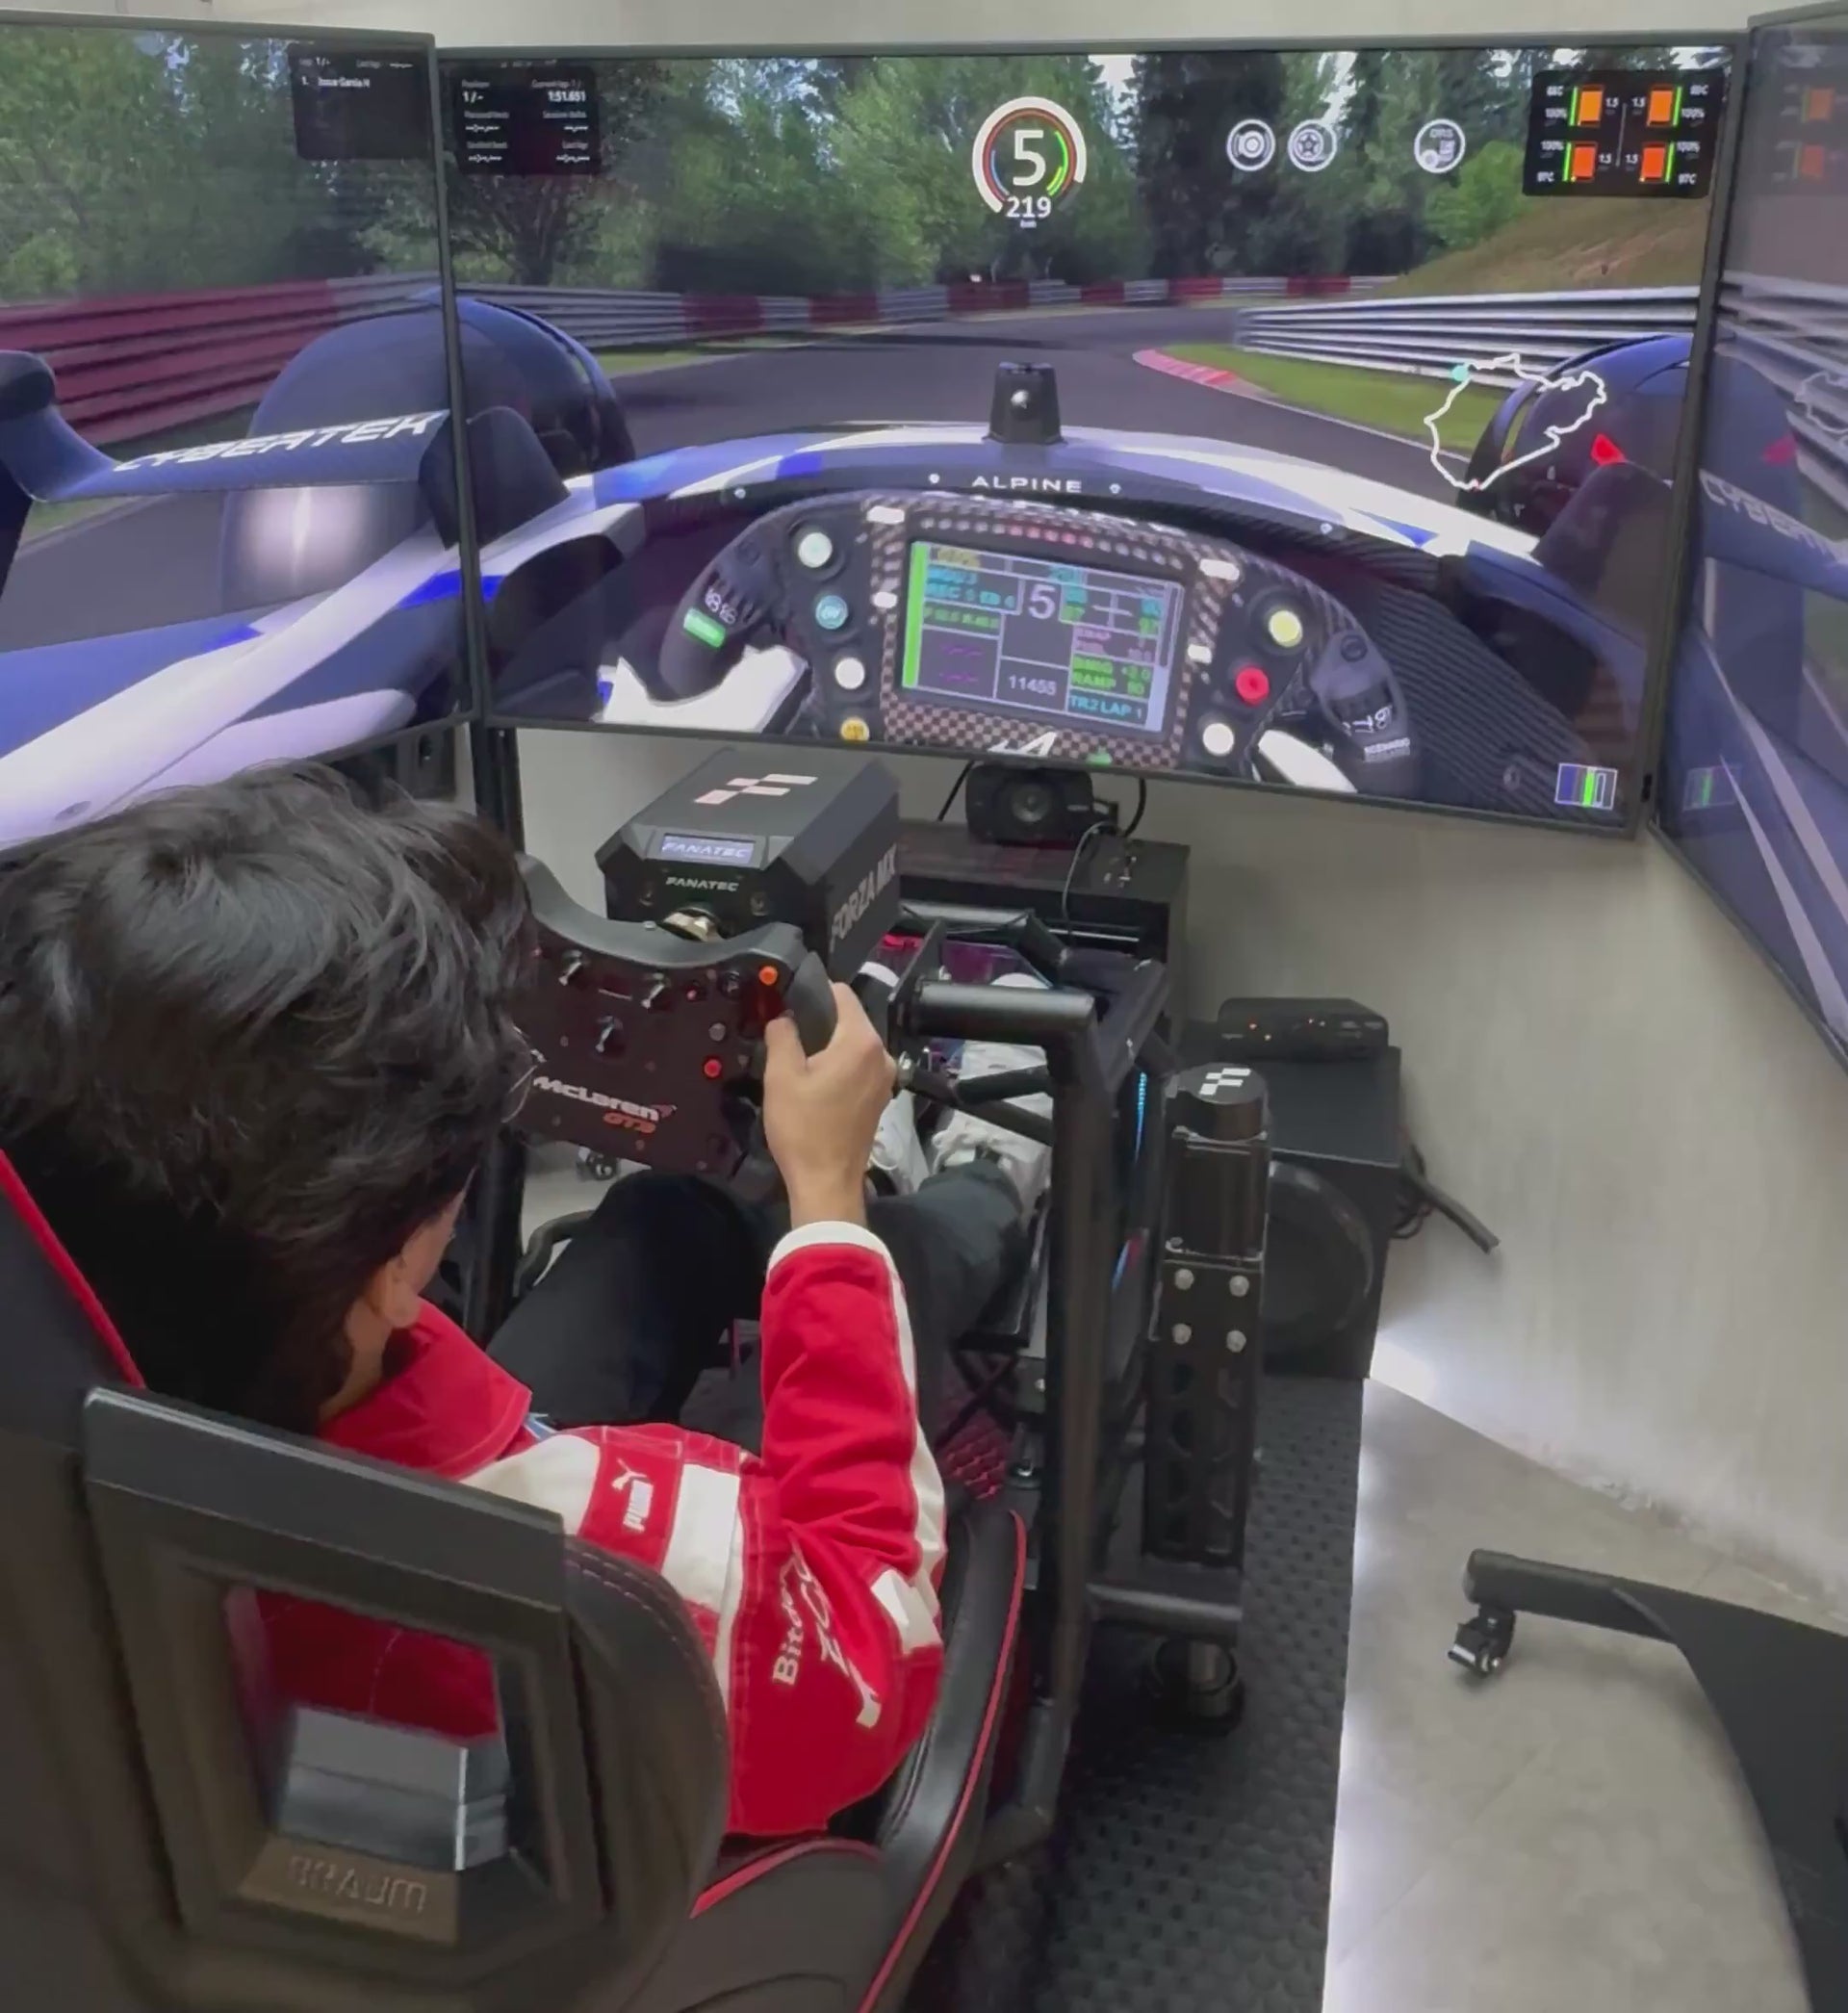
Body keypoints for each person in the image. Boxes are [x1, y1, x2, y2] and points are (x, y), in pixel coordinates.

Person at [0, 767, 1045, 1838]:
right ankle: (983, 1179)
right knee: (881, 1269)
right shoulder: (615, 1586)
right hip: (647, 1687)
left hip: (336, 1495)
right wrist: (828, 1198)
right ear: (388, 1269)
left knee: (660, 1220)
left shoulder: (97, 1376)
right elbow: (869, 1649)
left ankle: (841, 1190)